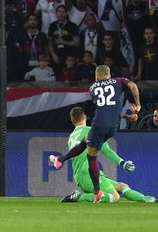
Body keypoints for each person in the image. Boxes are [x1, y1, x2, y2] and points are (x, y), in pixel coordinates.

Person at [50, 65, 141, 203]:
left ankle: (61, 160)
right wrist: (137, 106)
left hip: (83, 173)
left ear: (96, 77)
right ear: (109, 75)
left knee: (88, 151)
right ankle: (90, 193)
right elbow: (132, 87)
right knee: (114, 195)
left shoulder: (92, 88)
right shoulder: (118, 81)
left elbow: (104, 108)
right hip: (112, 128)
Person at [60, 107, 158, 203]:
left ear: (72, 121)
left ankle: (147, 199)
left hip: (81, 176)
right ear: (85, 117)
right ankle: (79, 197)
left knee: (122, 186)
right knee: (114, 197)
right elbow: (106, 150)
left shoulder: (71, 136)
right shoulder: (90, 131)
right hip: (89, 175)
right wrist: (122, 163)